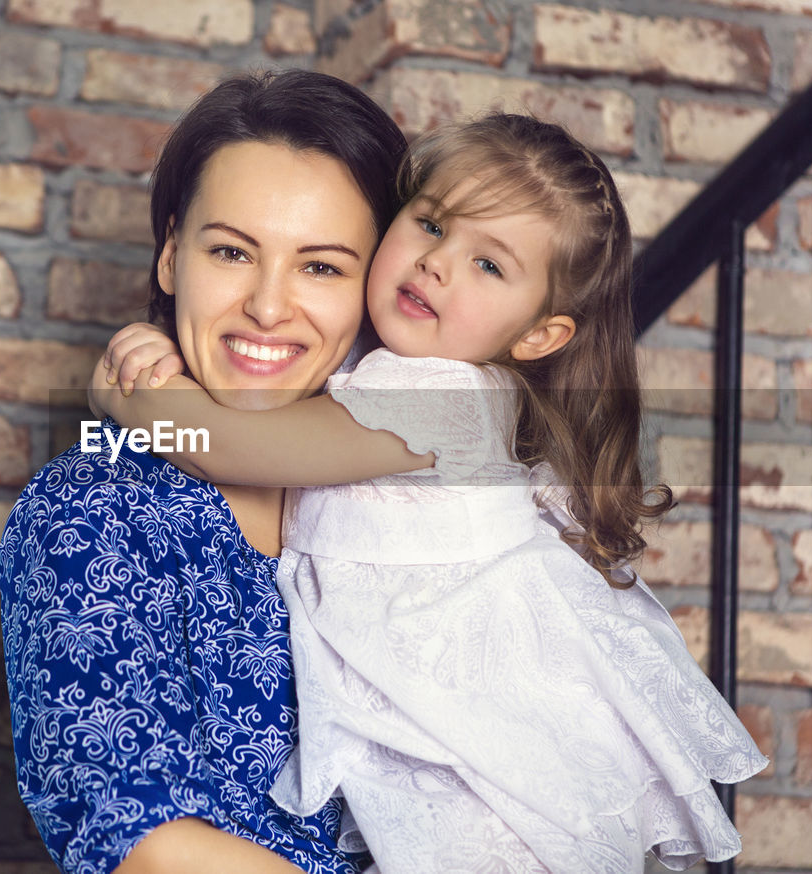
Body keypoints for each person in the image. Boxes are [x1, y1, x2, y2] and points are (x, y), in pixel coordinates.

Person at [90, 114, 769, 873]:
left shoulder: (451, 400)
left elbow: (232, 446)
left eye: (489, 266)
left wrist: (133, 400)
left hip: (485, 755)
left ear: (539, 337)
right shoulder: (369, 376)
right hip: (430, 739)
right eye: (432, 224)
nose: (439, 264)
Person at [0, 69, 408, 874]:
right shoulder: (93, 505)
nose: (266, 305)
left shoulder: (401, 501)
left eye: (321, 267)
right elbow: (143, 843)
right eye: (230, 251)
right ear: (169, 256)